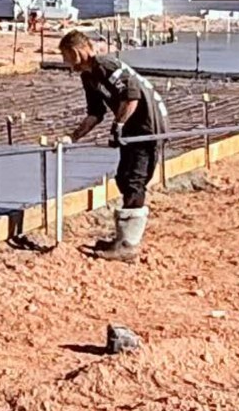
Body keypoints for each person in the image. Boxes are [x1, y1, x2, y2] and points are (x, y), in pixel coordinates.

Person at [60, 30, 168, 258]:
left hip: (148, 127)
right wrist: (73, 136)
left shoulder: (105, 64)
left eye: (66, 56)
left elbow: (132, 96)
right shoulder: (88, 77)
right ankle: (123, 239)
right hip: (131, 128)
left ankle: (128, 246)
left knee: (134, 180)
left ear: (76, 51)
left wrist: (118, 125)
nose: (66, 63)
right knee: (123, 177)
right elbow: (95, 113)